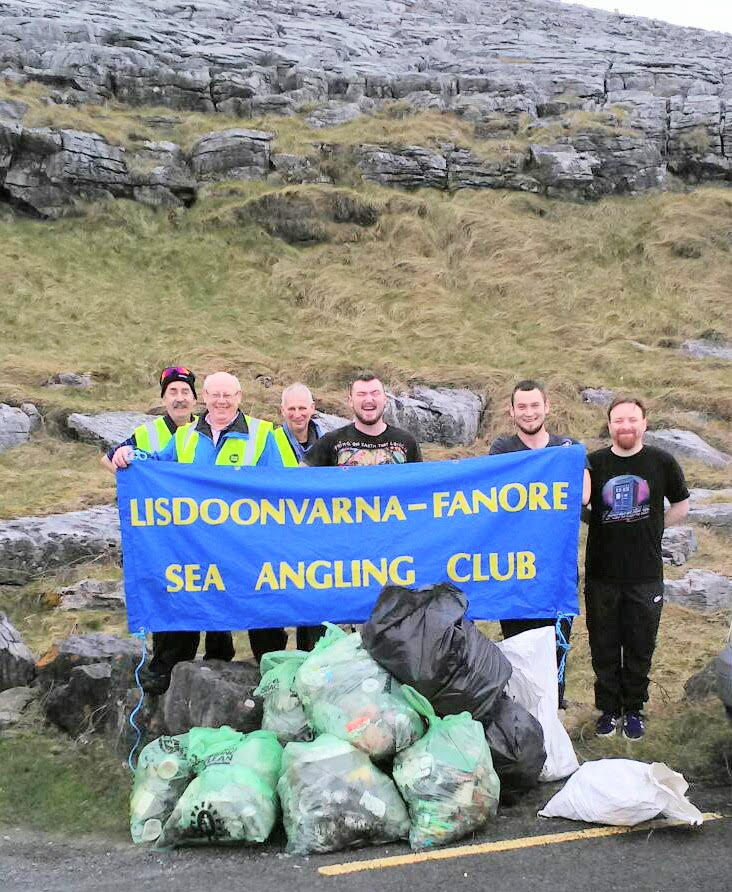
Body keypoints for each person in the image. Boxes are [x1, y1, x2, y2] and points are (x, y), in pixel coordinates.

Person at [116, 371, 284, 694]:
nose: (221, 401)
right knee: (187, 596)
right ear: (204, 397)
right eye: (215, 395)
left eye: (228, 395)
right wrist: (130, 455)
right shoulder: (185, 435)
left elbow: (284, 485)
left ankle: (271, 671)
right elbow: (156, 463)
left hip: (248, 543)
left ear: (239, 397)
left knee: (263, 602)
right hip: (196, 543)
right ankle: (169, 670)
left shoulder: (264, 435)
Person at [585, 396, 689, 740]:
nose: (625, 426)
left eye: (632, 419)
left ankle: (634, 710)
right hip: (601, 573)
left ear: (644, 423)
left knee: (640, 644)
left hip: (645, 575)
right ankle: (609, 711)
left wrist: (656, 527)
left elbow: (681, 503)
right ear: (609, 424)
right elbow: (581, 506)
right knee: (603, 645)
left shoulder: (662, 461)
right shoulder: (593, 463)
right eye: (618, 420)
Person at [489, 379, 591, 708]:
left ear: (547, 407)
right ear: (512, 411)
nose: (529, 412)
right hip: (514, 573)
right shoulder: (502, 450)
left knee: (554, 651)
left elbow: (585, 494)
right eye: (522, 407)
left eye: (535, 405)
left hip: (556, 573)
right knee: (519, 650)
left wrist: (563, 464)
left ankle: (554, 721)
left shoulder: (567, 447)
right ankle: (522, 725)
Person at [249, 382, 328, 662]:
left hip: (318, 540)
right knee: (269, 604)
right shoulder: (267, 441)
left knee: (315, 607)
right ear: (282, 410)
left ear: (312, 408)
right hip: (277, 540)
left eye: (302, 408)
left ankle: (314, 666)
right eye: (291, 409)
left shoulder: (330, 441)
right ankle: (269, 666)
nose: (297, 414)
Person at [303, 371, 422, 467]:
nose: (369, 399)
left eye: (375, 393)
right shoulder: (330, 442)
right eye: (361, 394)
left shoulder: (407, 442)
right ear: (351, 401)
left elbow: (421, 486)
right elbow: (299, 479)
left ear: (385, 399)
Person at [101, 365, 198, 473]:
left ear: (194, 399)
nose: (180, 399)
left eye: (185, 392)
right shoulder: (147, 432)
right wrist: (137, 482)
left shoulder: (208, 427)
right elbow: (107, 460)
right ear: (164, 400)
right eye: (173, 392)